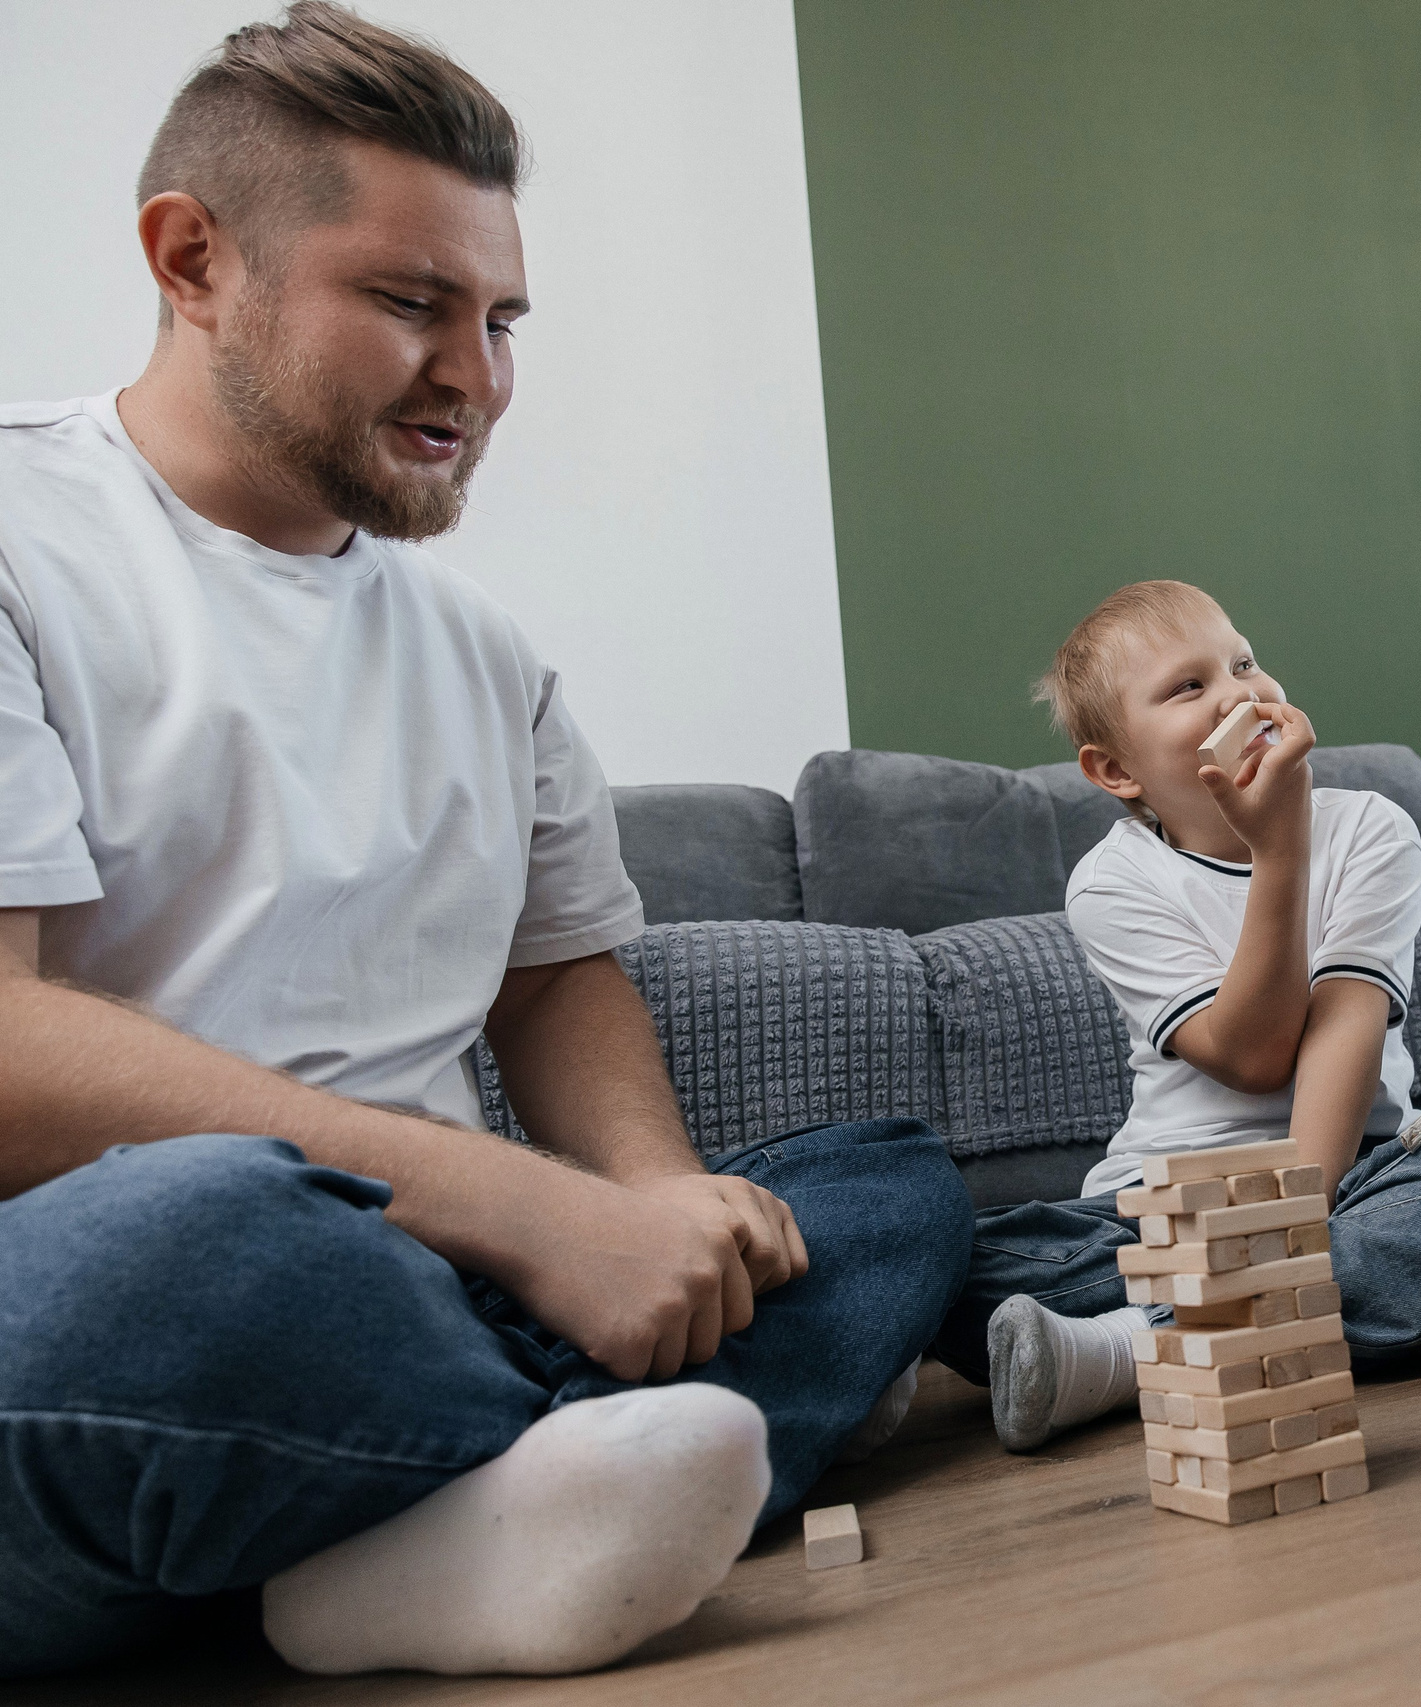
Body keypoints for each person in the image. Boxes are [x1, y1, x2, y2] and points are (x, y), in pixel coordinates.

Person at [0, 5, 970, 1679]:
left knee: (881, 1194)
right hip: (157, 1282)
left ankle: (387, 1539)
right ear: (192, 259)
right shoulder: (25, 539)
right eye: (410, 303)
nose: (477, 375)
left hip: (439, 1291)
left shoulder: (487, 656)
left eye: (502, 318)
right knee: (211, 1243)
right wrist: (525, 1212)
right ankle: (503, 1489)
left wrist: (653, 1202)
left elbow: (554, 980)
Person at [930, 581, 1421, 1451]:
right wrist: (1278, 850)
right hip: (1167, 1202)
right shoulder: (1112, 883)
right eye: (1189, 686)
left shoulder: (1371, 830)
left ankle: (1131, 1349)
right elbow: (1254, 1055)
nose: (1239, 692)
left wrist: (1293, 1227)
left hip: (1352, 1173)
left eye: (1243, 661)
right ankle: (1415, 1313)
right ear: (1116, 771)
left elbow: (1343, 1030)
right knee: (950, 1265)